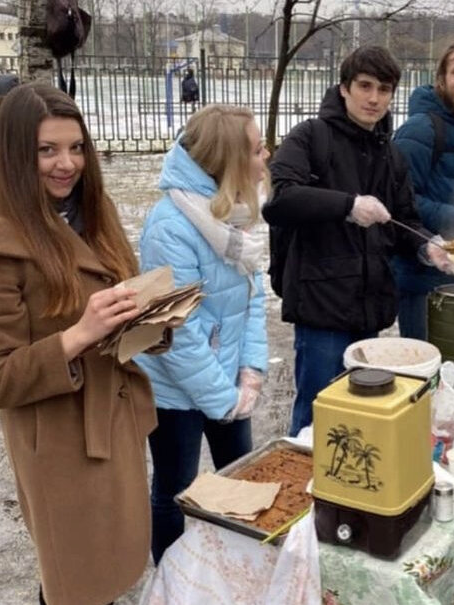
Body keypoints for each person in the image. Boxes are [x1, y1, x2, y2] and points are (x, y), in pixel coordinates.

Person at [0, 82, 160, 605]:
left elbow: (117, 296)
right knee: (78, 583)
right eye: (47, 150)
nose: (67, 164)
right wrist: (80, 334)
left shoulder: (90, 208)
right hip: (61, 443)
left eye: (76, 147)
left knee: (111, 571)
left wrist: (153, 315)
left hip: (115, 420)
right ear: (17, 153)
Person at [263, 45, 448, 437]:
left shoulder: (391, 155)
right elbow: (280, 201)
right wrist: (347, 205)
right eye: (365, 86)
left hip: (369, 306)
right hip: (320, 308)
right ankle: (307, 491)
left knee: (361, 416)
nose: (374, 98)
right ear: (344, 88)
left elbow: (403, 221)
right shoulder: (311, 137)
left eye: (384, 89)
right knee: (318, 417)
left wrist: (426, 246)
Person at [135, 104, 269, 563]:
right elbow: (176, 332)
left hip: (228, 375)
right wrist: (222, 399)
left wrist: (250, 369)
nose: (266, 156)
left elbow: (252, 294)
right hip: (176, 390)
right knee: (175, 489)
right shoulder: (171, 226)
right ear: (229, 159)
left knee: (240, 479)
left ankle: (234, 568)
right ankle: (172, 580)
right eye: (256, 148)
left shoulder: (235, 211)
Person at [392, 42, 454, 339]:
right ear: (441, 80)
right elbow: (398, 201)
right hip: (421, 279)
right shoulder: (420, 129)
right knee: (428, 370)